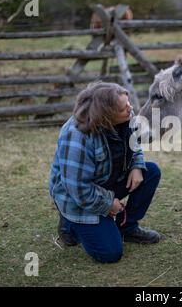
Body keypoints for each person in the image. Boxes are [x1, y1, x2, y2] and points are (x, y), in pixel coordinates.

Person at [49, 82, 161, 263]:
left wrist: (136, 166)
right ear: (105, 115)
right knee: (110, 253)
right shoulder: (77, 137)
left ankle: (127, 227)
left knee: (151, 172)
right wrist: (109, 204)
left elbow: (135, 144)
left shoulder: (125, 117)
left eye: (128, 103)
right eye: (124, 107)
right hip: (77, 198)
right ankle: (69, 224)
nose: (130, 108)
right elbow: (78, 190)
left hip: (106, 181)